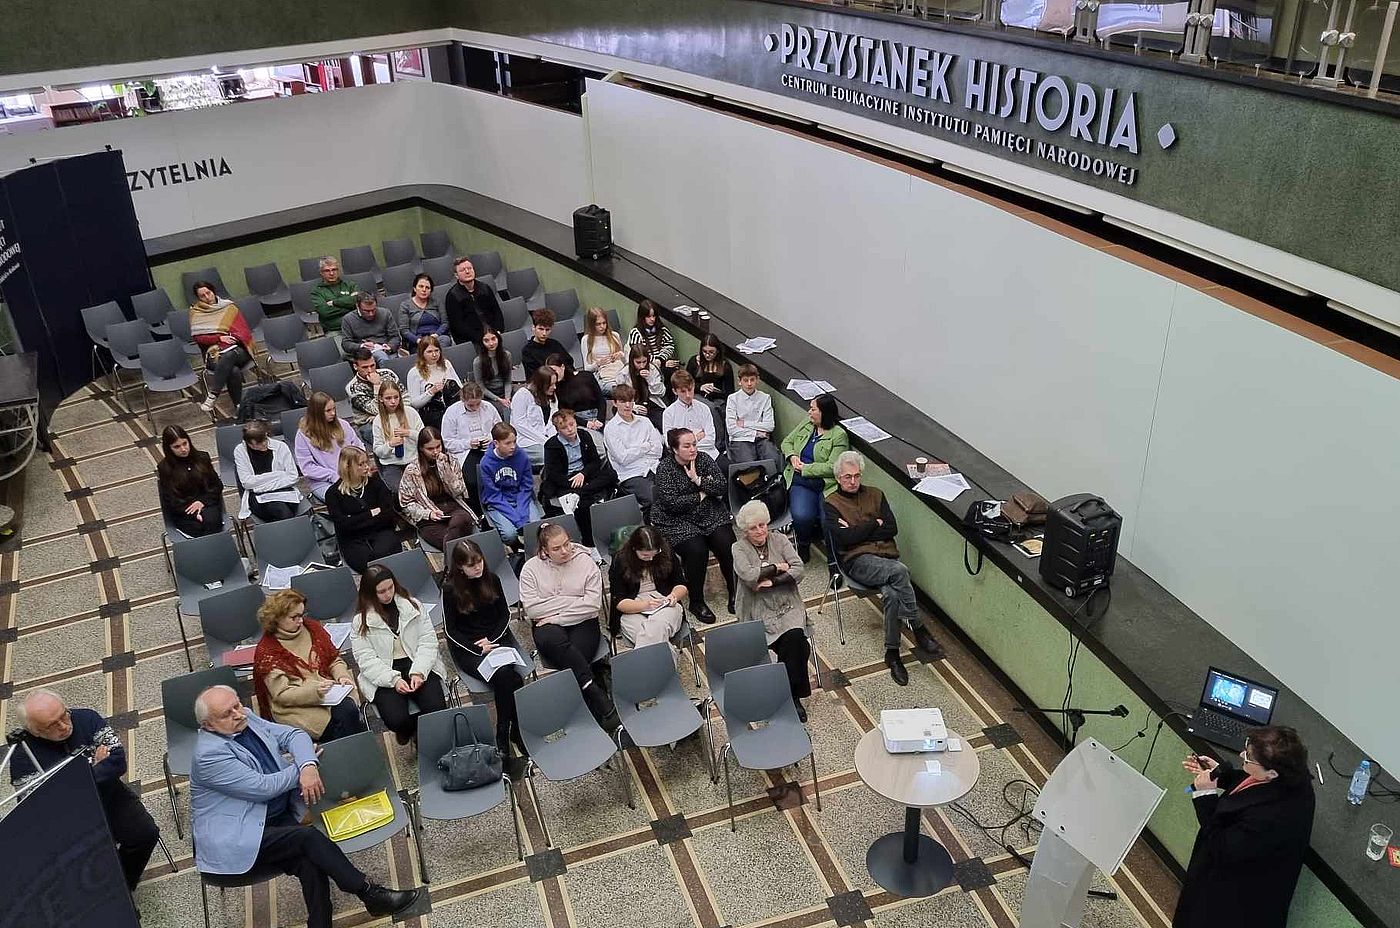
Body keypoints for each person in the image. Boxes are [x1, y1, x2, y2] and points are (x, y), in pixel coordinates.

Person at [189, 684, 420, 928]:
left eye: (237, 705)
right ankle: (368, 892)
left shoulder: (245, 717)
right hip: (238, 836)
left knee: (310, 858)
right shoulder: (208, 756)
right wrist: (302, 768)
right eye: (227, 714)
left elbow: (294, 735)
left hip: (272, 819)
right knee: (307, 839)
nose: (238, 713)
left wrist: (308, 765)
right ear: (208, 725)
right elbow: (263, 787)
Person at [9, 691, 160, 894]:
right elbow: (38, 804)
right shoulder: (22, 757)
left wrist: (69, 784)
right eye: (52, 725)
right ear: (35, 731)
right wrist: (95, 769)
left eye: (64, 715)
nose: (64, 726)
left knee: (145, 834)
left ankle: (123, 885)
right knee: (77, 864)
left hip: (109, 797)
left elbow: (117, 762)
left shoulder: (87, 719)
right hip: (68, 819)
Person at [824, 451, 943, 686]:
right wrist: (873, 523)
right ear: (838, 478)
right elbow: (845, 539)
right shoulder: (831, 504)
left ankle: (892, 653)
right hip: (857, 561)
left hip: (886, 556)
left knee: (892, 594)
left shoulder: (876, 494)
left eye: (857, 476)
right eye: (847, 477)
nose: (853, 481)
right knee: (900, 571)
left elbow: (891, 529)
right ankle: (918, 628)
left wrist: (858, 530)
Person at [1175, 728, 1316, 928]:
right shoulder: (1287, 775)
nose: (1242, 755)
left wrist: (1205, 795)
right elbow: (1253, 786)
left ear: (1272, 772)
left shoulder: (1273, 817)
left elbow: (1221, 847)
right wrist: (1222, 775)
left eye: (1249, 757)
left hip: (1234, 899)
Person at [519, 522, 619, 730]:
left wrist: (557, 617)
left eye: (567, 544)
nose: (565, 551)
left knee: (575, 659)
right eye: (556, 548)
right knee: (556, 643)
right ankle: (597, 696)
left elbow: (592, 605)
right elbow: (533, 610)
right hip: (547, 627)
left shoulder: (586, 562)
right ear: (544, 550)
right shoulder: (530, 569)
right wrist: (574, 600)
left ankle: (589, 714)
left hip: (582, 622)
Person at [441, 539, 527, 766]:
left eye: (479, 562)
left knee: (509, 676)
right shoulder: (450, 590)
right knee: (510, 678)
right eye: (471, 565)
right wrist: (478, 647)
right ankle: (509, 731)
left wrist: (492, 640)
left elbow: (504, 615)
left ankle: (506, 732)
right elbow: (450, 630)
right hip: (470, 648)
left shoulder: (493, 579)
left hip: (496, 640)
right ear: (460, 567)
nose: (478, 567)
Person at [349, 564, 448, 746]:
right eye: (381, 592)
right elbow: (366, 661)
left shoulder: (413, 606)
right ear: (370, 593)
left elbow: (428, 642)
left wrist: (419, 671)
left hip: (416, 662)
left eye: (390, 588)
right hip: (384, 671)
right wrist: (394, 680)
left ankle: (425, 738)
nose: (388, 594)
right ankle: (413, 731)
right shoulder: (360, 622)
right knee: (396, 720)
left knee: (437, 708)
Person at [732, 501, 812, 721]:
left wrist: (773, 580)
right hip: (757, 608)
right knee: (798, 647)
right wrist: (777, 567)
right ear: (745, 531)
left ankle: (789, 695)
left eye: (762, 525)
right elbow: (749, 575)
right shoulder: (738, 548)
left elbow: (799, 569)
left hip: (787, 602)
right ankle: (791, 694)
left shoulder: (780, 540)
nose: (760, 531)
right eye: (753, 528)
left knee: (795, 638)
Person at [251, 589, 364, 743]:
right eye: (294, 617)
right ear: (277, 619)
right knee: (343, 721)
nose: (301, 621)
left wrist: (342, 676)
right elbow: (282, 695)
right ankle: (352, 749)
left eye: (302, 615)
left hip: (328, 691)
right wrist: (314, 691)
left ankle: (352, 748)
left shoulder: (312, 629)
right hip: (296, 707)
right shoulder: (268, 651)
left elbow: (333, 660)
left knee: (348, 711)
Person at [651, 427, 736, 624]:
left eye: (694, 444)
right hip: (676, 520)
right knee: (696, 550)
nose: (692, 449)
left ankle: (735, 592)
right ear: (674, 449)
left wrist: (697, 480)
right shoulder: (665, 469)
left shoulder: (703, 459)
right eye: (687, 446)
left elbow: (721, 486)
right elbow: (672, 503)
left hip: (709, 512)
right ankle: (697, 601)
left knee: (726, 543)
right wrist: (700, 495)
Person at [780, 394, 849, 562]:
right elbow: (786, 442)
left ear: (823, 412)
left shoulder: (839, 435)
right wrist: (792, 457)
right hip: (801, 482)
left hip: (826, 485)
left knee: (828, 521)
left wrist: (806, 468)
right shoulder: (807, 424)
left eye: (813, 409)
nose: (809, 412)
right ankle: (803, 544)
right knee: (802, 516)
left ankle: (834, 561)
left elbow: (833, 467)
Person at [540, 408, 617, 548]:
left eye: (572, 424)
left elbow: (595, 461)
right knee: (583, 505)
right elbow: (553, 474)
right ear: (558, 430)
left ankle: (579, 493)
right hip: (567, 480)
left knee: (611, 475)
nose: (570, 429)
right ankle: (589, 542)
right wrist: (573, 481)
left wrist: (583, 474)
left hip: (585, 475)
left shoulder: (584, 435)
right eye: (564, 427)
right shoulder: (552, 445)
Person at [608, 525, 688, 658]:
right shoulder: (621, 560)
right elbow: (619, 601)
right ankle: (668, 660)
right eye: (645, 555)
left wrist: (673, 595)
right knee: (655, 635)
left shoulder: (666, 552)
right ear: (634, 549)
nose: (651, 559)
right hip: (631, 607)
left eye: (654, 554)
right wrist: (645, 605)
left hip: (665, 603)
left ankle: (647, 668)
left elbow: (681, 584)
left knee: (653, 630)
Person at [398, 427, 478, 551]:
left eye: (438, 446)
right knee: (453, 543)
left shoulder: (451, 462)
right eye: (430, 449)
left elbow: (459, 490)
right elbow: (406, 503)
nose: (435, 451)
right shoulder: (412, 470)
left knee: (461, 520)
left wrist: (445, 470)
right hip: (429, 516)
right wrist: (428, 514)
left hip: (454, 509)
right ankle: (458, 557)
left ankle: (452, 560)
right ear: (421, 448)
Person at [324, 446, 400, 572]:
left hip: (380, 531)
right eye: (361, 464)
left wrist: (355, 520)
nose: (366, 467)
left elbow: (388, 514)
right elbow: (343, 525)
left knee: (387, 556)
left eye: (366, 462)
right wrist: (370, 513)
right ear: (347, 467)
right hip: (353, 539)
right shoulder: (333, 494)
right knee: (367, 566)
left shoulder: (375, 482)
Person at [189, 281, 255, 415]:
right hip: (214, 353)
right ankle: (239, 407)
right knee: (233, 370)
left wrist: (231, 338)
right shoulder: (196, 312)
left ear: (213, 291)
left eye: (208, 293)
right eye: (202, 296)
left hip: (239, 350)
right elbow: (199, 338)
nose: (207, 297)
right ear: (198, 298)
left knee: (231, 354)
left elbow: (244, 331)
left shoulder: (229, 308)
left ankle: (213, 394)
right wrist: (219, 338)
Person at [478, 423, 542, 546]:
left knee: (534, 529)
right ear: (496, 443)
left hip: (521, 498)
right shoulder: (486, 463)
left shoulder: (522, 456)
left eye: (514, 442)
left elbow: (526, 487)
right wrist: (518, 520)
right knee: (510, 535)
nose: (513, 446)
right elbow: (493, 496)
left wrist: (523, 516)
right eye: (507, 443)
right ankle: (516, 549)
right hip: (498, 503)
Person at [295, 390, 364, 501]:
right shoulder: (303, 435)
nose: (333, 413)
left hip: (352, 474)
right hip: (323, 482)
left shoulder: (343, 425)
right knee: (345, 500)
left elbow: (358, 448)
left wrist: (353, 469)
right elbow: (307, 467)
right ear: (316, 413)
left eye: (334, 409)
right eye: (328, 411)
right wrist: (334, 476)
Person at [602, 384, 663, 508]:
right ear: (614, 403)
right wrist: (646, 447)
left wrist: (633, 452)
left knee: (677, 490)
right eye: (623, 401)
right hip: (631, 474)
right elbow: (623, 459)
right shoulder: (611, 429)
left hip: (653, 467)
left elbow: (658, 451)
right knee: (653, 499)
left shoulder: (645, 421)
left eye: (630, 401)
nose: (627, 405)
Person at [441, 381, 502, 504]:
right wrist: (468, 444)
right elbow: (447, 442)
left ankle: (497, 503)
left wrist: (490, 438)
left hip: (489, 447)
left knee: (499, 474)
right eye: (471, 405)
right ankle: (478, 507)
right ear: (463, 400)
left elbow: (500, 429)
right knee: (473, 481)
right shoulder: (452, 412)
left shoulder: (489, 407)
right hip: (465, 451)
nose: (475, 408)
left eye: (478, 404)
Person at [157, 424, 224, 537]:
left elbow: (216, 485)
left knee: (211, 522)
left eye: (185, 443)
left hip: (207, 503)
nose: (183, 449)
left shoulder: (202, 458)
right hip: (184, 510)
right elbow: (171, 499)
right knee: (198, 528)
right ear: (169, 448)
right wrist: (194, 513)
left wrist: (201, 502)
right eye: (177, 447)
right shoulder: (165, 468)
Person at [233, 419, 301, 523]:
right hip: (258, 497)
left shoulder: (280, 446)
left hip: (284, 491)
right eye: (258, 444)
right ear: (249, 443)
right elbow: (247, 483)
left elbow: (293, 477)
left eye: (265, 439)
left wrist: (260, 487)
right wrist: (278, 475)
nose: (264, 444)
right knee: (281, 511)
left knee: (284, 510)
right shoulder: (240, 451)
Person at [726, 363, 783, 470]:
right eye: (745, 380)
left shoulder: (765, 398)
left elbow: (770, 426)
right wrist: (757, 433)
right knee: (749, 466)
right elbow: (732, 429)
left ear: (757, 380)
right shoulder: (733, 399)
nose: (749, 384)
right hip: (741, 439)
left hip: (762, 440)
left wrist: (744, 424)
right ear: (739, 381)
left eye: (752, 380)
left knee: (774, 459)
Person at [369, 379, 422, 495]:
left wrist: (409, 433)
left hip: (413, 459)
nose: (393, 402)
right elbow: (378, 450)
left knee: (420, 487)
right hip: (391, 464)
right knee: (401, 491)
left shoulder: (411, 412)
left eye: (396, 397)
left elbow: (424, 438)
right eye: (388, 398)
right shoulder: (378, 421)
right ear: (381, 399)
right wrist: (390, 444)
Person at [663, 370, 724, 467]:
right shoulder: (669, 413)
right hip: (684, 459)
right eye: (683, 391)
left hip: (709, 454)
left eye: (690, 390)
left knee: (731, 469)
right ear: (675, 391)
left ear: (694, 386)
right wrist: (697, 437)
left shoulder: (704, 408)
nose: (688, 395)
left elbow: (711, 439)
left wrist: (686, 444)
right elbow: (669, 443)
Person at [345, 347, 402, 444]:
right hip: (369, 423)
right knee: (383, 437)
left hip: (397, 413)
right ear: (355, 367)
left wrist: (401, 413)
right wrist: (377, 385)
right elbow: (375, 410)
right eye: (365, 367)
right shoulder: (353, 388)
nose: (370, 370)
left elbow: (405, 396)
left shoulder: (388, 374)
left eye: (372, 365)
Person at [404, 334, 461, 430]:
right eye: (429, 352)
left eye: (436, 350)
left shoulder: (446, 364)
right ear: (422, 353)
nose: (434, 355)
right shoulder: (414, 372)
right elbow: (414, 403)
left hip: (453, 409)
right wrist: (431, 392)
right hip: (432, 414)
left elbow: (460, 386)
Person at [444, 256, 504, 346]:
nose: (467, 271)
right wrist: (481, 338)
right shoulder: (452, 296)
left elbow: (497, 312)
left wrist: (497, 331)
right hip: (471, 340)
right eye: (462, 270)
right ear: (456, 275)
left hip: (493, 334)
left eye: (469, 268)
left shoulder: (485, 288)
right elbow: (458, 325)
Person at [686, 333, 734, 440]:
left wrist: (716, 391)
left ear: (717, 351)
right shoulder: (694, 362)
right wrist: (701, 387)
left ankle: (723, 439)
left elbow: (729, 392)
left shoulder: (725, 366)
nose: (707, 355)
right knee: (710, 408)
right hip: (696, 395)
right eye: (704, 352)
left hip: (717, 397)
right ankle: (719, 441)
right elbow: (686, 384)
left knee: (720, 409)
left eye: (711, 352)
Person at [509, 366, 557, 467]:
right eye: (551, 384)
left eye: (555, 383)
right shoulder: (522, 395)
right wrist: (545, 440)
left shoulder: (552, 396)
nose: (554, 387)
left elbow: (553, 421)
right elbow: (520, 424)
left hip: (547, 438)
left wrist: (554, 440)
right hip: (527, 440)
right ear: (541, 384)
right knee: (549, 456)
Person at [548, 352, 606, 430]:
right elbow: (563, 411)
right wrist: (586, 423)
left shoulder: (586, 376)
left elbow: (601, 400)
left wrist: (600, 420)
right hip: (577, 422)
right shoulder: (556, 387)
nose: (553, 374)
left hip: (597, 417)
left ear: (562, 367)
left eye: (554, 370)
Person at [339, 292, 401, 362]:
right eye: (366, 311)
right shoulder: (348, 319)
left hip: (385, 349)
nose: (371, 314)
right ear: (357, 306)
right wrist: (361, 346)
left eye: (373, 310)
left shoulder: (385, 313)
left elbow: (395, 336)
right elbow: (346, 344)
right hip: (363, 354)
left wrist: (390, 346)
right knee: (381, 357)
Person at [627, 299, 677, 383]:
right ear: (642, 317)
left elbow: (669, 346)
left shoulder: (663, 330)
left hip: (662, 361)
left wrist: (661, 359)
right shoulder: (636, 333)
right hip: (646, 366)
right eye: (648, 317)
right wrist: (659, 363)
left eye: (654, 316)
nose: (652, 319)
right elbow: (638, 354)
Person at [396, 273, 451, 350]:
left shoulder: (437, 302)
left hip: (436, 338)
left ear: (430, 291)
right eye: (421, 286)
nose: (424, 290)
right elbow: (404, 330)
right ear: (415, 288)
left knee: (445, 340)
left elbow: (445, 323)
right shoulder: (405, 306)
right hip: (417, 341)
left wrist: (436, 335)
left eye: (427, 287)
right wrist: (418, 340)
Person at [617, 344, 666, 429]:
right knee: (638, 425)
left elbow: (661, 393)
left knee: (662, 424)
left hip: (651, 403)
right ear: (632, 361)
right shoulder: (624, 373)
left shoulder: (653, 369)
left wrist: (650, 379)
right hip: (632, 404)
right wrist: (634, 407)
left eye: (644, 362)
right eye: (638, 362)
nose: (642, 366)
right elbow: (620, 396)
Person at [581, 307, 626, 393]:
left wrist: (620, 355)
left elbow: (624, 360)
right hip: (602, 375)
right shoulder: (586, 340)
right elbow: (587, 368)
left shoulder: (614, 335)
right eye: (598, 324)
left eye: (604, 323)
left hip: (618, 370)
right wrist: (598, 364)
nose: (602, 327)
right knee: (619, 391)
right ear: (592, 325)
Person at [521, 308, 575, 380]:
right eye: (541, 329)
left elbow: (568, 363)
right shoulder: (527, 351)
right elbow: (534, 377)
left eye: (547, 330)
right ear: (533, 328)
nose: (544, 333)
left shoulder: (555, 344)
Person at [310, 256, 358, 334]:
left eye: (334, 270)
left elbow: (358, 302)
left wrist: (334, 303)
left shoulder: (350, 285)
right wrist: (349, 305)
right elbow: (324, 312)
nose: (331, 273)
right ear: (321, 273)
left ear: (338, 271)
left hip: (356, 325)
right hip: (335, 330)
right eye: (327, 271)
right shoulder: (316, 292)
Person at [472, 326, 514, 410]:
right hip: (489, 396)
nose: (491, 343)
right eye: (486, 341)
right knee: (502, 410)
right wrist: (499, 399)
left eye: (493, 339)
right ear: (482, 342)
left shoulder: (507, 355)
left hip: (506, 392)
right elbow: (481, 387)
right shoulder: (478, 362)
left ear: (498, 338)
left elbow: (508, 380)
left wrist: (507, 398)